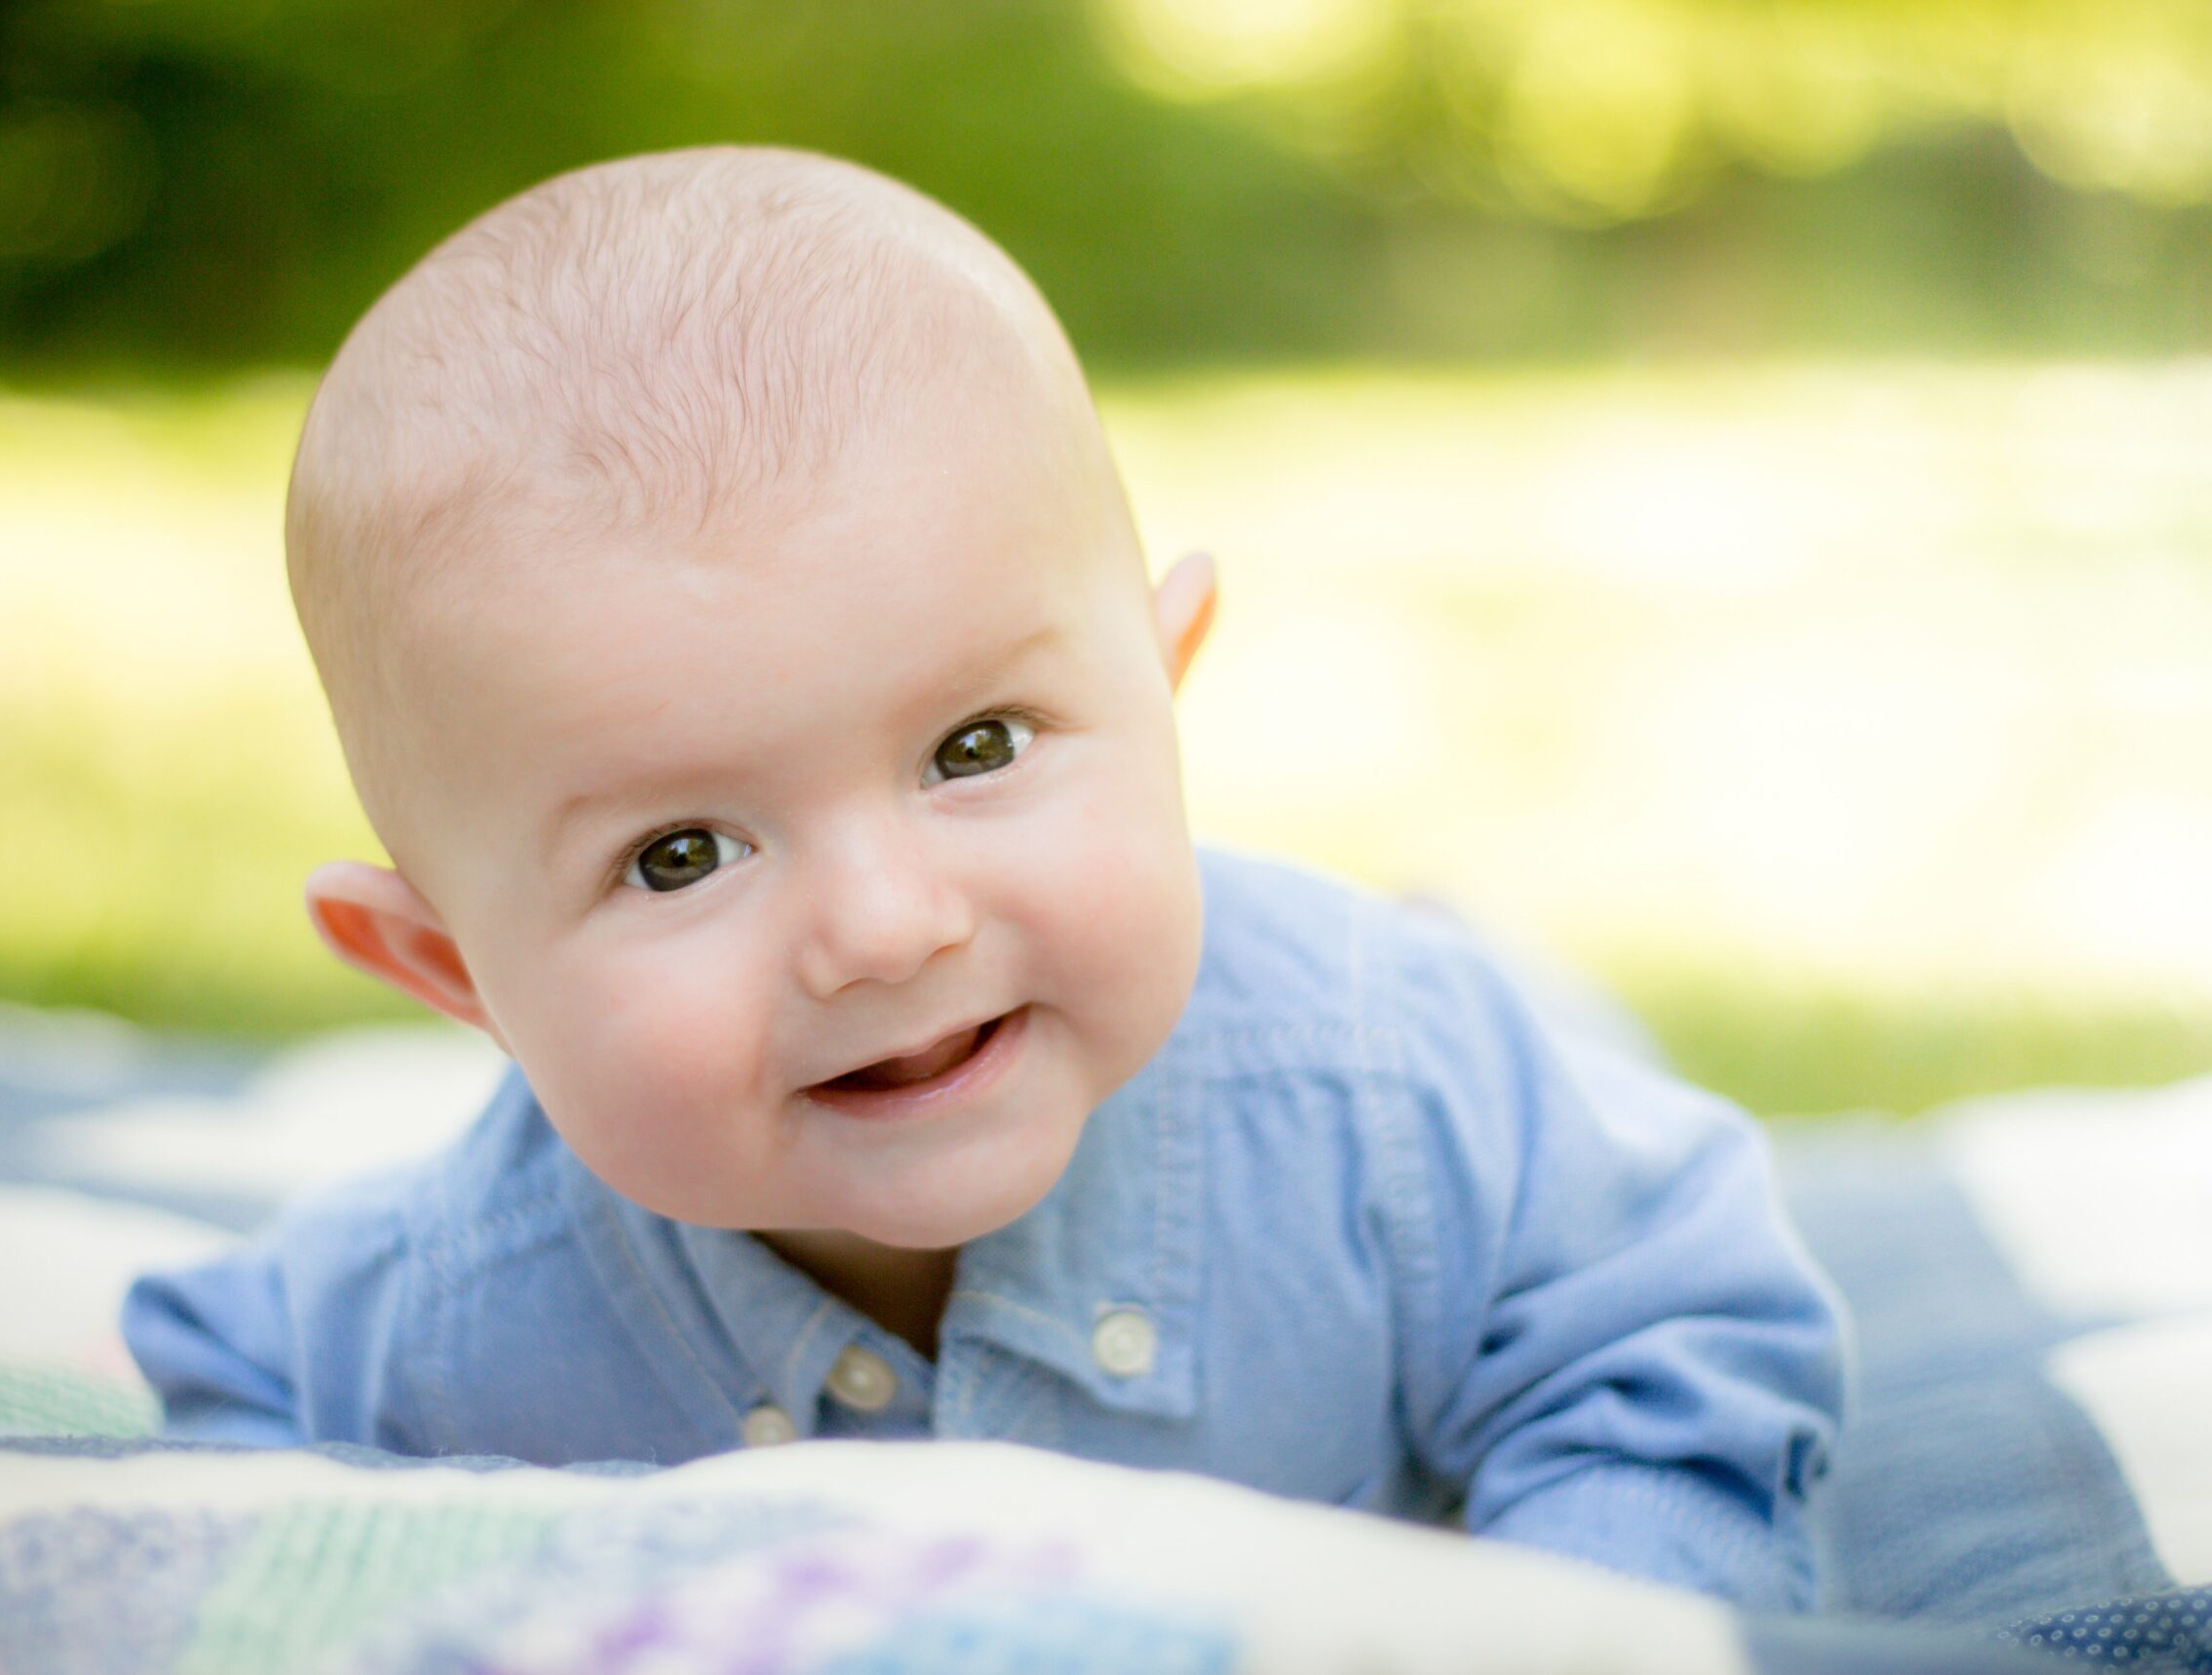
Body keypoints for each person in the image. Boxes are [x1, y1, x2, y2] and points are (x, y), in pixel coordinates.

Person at [123, 145, 1844, 1609]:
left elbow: (1665, 1332)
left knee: (1539, 1043)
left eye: (974, 750)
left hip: (1433, 1018)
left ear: (1163, 692)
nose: (885, 928)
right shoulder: (450, 1314)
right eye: (680, 856)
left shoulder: (1381, 1093)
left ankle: (1472, 930)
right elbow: (230, 1407)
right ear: (452, 976)